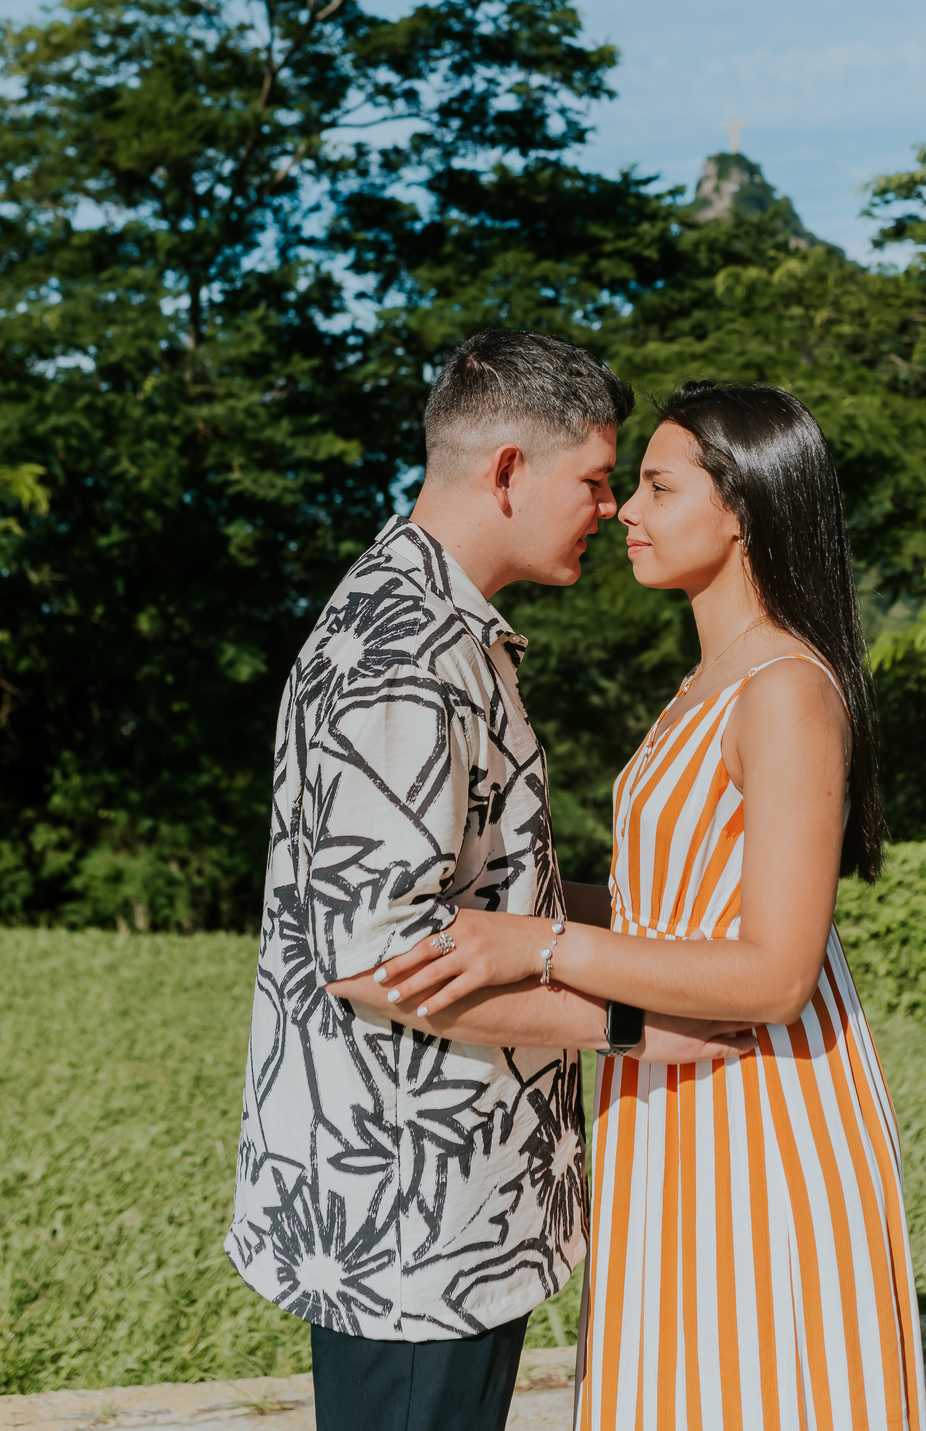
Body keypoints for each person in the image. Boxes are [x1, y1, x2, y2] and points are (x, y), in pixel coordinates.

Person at [376, 380, 926, 1431]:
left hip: (760, 1099)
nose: (624, 507)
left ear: (744, 509)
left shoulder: (784, 688)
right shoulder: (707, 680)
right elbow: (671, 901)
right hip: (674, 1082)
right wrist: (491, 898)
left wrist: (537, 943)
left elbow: (773, 970)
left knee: (753, 1390)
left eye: (657, 486)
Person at [226, 335, 751, 1431]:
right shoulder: (407, 655)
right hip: (414, 1217)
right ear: (508, 469)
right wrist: (637, 1023)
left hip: (439, 1198)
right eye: (595, 481)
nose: (608, 510)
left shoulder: (434, 622)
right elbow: (379, 955)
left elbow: (476, 890)